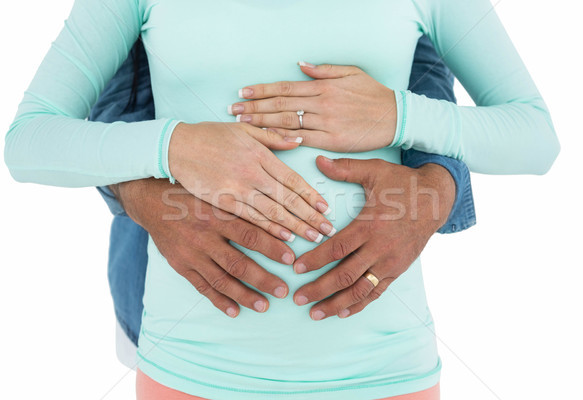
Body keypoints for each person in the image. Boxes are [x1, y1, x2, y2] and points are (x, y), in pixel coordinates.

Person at [4, 0, 560, 399]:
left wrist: (401, 117)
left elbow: (533, 135)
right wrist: (175, 147)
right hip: (193, 359)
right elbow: (31, 142)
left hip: (381, 363)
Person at [91, 34, 477, 369]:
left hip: (373, 351)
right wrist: (143, 195)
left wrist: (436, 188)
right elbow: (114, 101)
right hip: (174, 328)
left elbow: (425, 74)